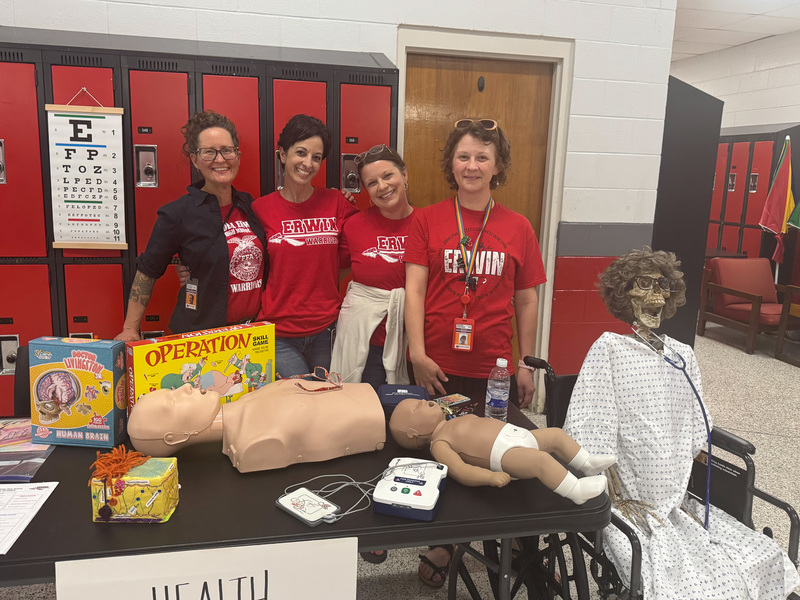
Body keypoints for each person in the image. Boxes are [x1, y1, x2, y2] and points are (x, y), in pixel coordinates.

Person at [563, 248, 800, 600]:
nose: (657, 296)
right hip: (631, 500)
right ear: (624, 293)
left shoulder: (682, 355)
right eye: (645, 285)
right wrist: (603, 481)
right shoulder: (609, 349)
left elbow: (697, 427)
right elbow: (589, 423)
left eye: (663, 287)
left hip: (676, 498)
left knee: (757, 557)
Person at [404, 118, 546, 409]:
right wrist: (418, 355)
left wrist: (526, 365)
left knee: (491, 437)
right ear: (451, 163)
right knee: (433, 436)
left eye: (482, 158)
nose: (472, 166)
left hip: (494, 369)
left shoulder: (519, 227)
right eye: (463, 157)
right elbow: (414, 291)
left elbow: (526, 300)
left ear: (498, 166)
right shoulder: (425, 220)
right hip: (434, 366)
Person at [115, 111, 266, 341]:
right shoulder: (177, 213)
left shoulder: (251, 206)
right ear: (195, 160)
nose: (220, 159)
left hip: (253, 334)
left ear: (237, 155)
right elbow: (147, 271)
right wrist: (130, 328)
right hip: (201, 337)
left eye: (227, 150)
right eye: (209, 152)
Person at [252, 115, 358, 378]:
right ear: (282, 154)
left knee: (327, 398)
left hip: (326, 330)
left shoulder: (336, 202)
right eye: (301, 153)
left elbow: (359, 251)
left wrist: (325, 278)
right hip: (279, 333)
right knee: (300, 398)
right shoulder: (260, 209)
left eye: (316, 157)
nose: (308, 163)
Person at [127, 376, 386, 472]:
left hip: (371, 400)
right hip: (375, 422)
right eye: (173, 401)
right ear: (175, 437)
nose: (184, 387)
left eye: (173, 390)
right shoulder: (254, 442)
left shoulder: (248, 401)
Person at [331, 145, 415, 389]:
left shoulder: (427, 224)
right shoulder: (354, 226)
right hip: (365, 345)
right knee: (361, 408)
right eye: (372, 183)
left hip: (413, 343)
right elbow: (332, 273)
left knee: (410, 409)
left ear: (404, 175)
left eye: (388, 176)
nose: (383, 186)